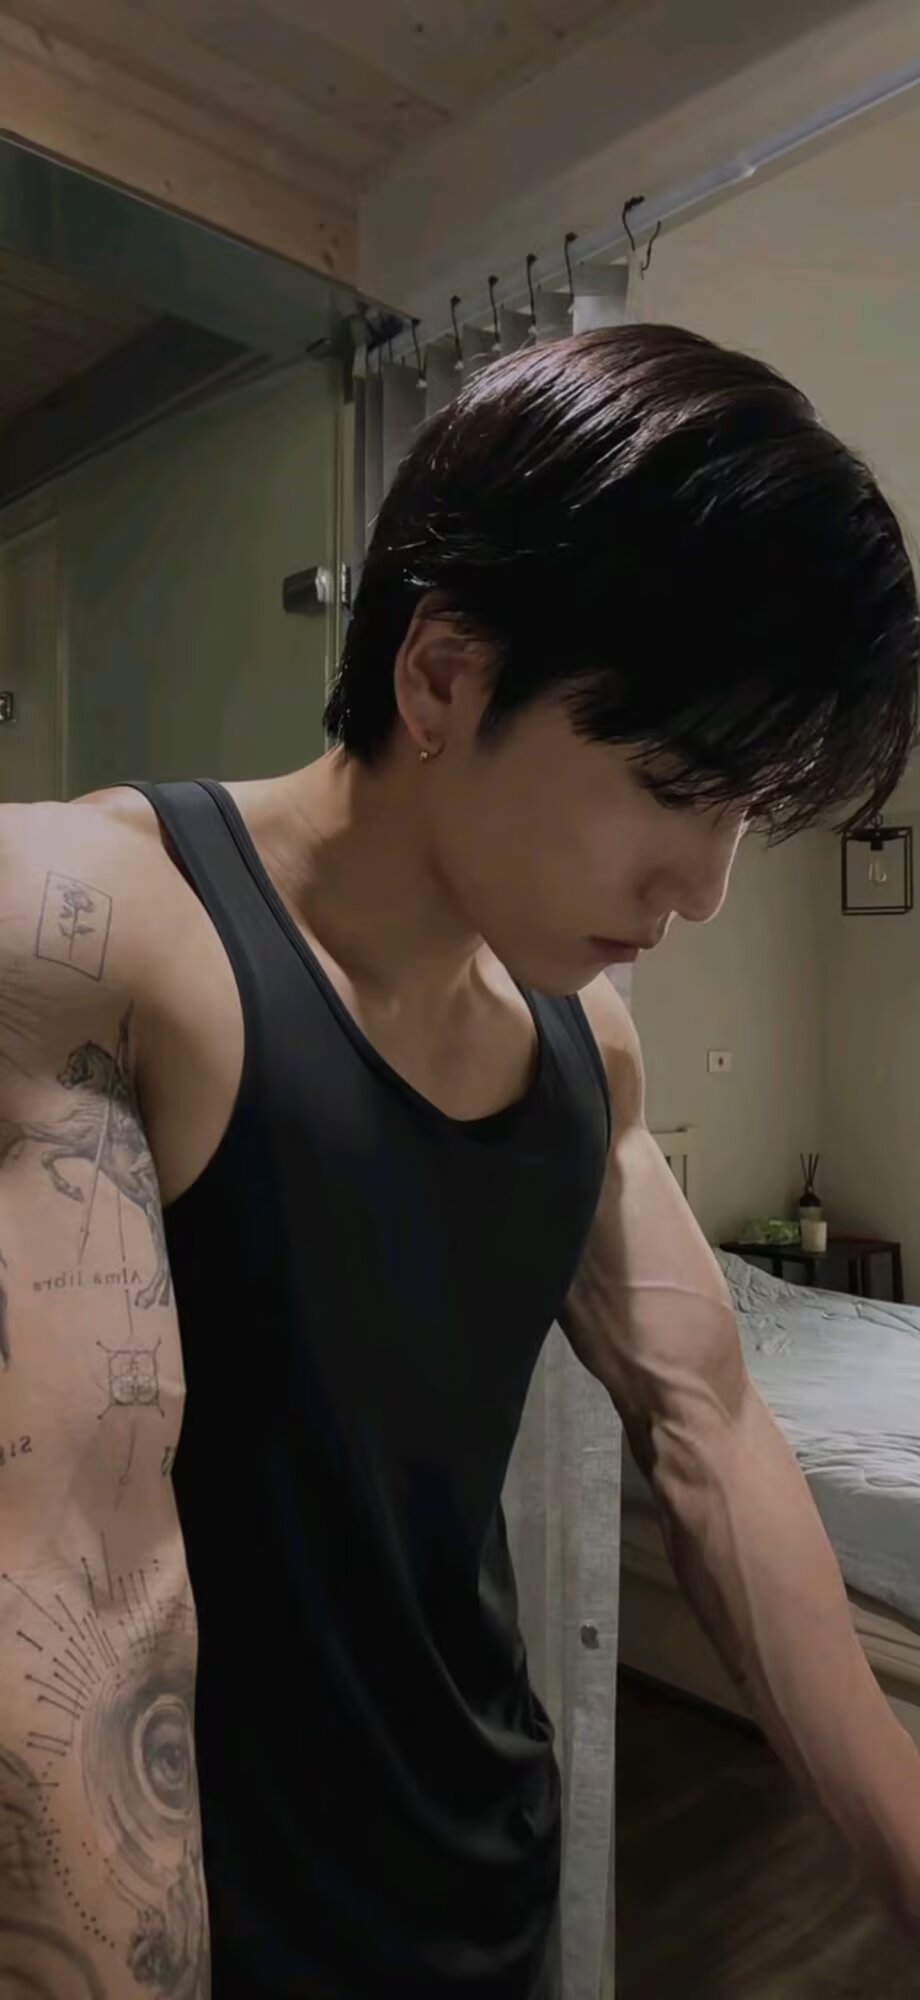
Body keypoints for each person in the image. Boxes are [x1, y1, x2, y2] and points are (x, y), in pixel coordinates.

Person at [0, 324, 918, 2000]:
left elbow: (713, 1433)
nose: (705, 888)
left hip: (487, 1889)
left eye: (745, 812)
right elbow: (73, 1603)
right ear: (440, 677)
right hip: (210, 1941)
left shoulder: (587, 1047)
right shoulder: (96, 930)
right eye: (671, 788)